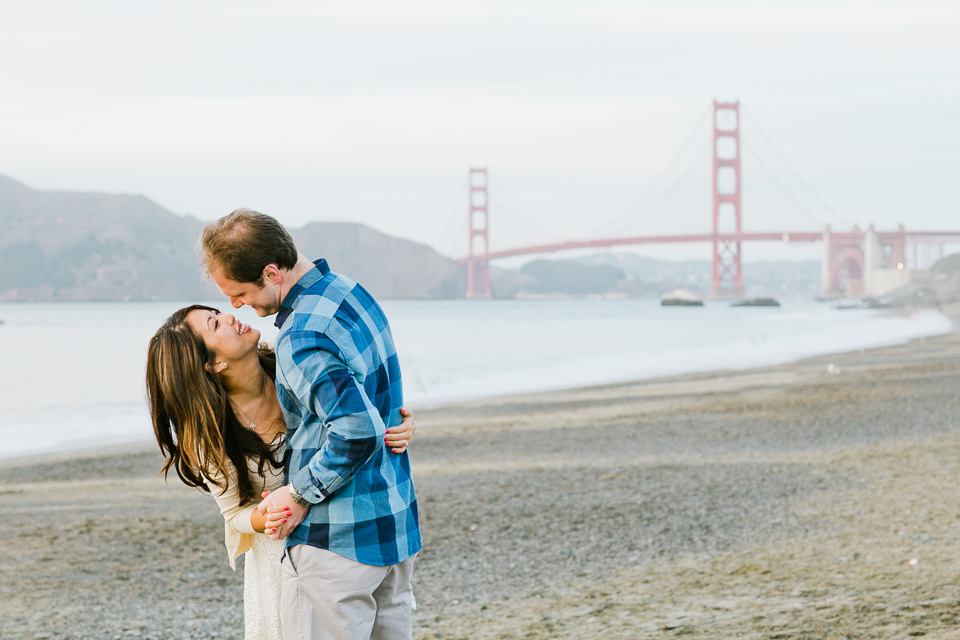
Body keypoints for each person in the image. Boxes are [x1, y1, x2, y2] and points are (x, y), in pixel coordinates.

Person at [199, 209, 421, 640]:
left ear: (271, 272)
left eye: (240, 292)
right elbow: (376, 400)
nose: (236, 305)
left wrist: (299, 494)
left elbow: (357, 429)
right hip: (394, 523)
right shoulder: (351, 290)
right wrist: (399, 422)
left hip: (338, 540)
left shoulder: (301, 334)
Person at [146, 304, 417, 640]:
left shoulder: (293, 360)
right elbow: (234, 515)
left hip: (349, 527)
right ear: (213, 363)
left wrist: (399, 426)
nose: (231, 316)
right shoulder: (210, 436)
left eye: (219, 312)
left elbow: (355, 416)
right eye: (216, 324)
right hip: (280, 555)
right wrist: (273, 514)